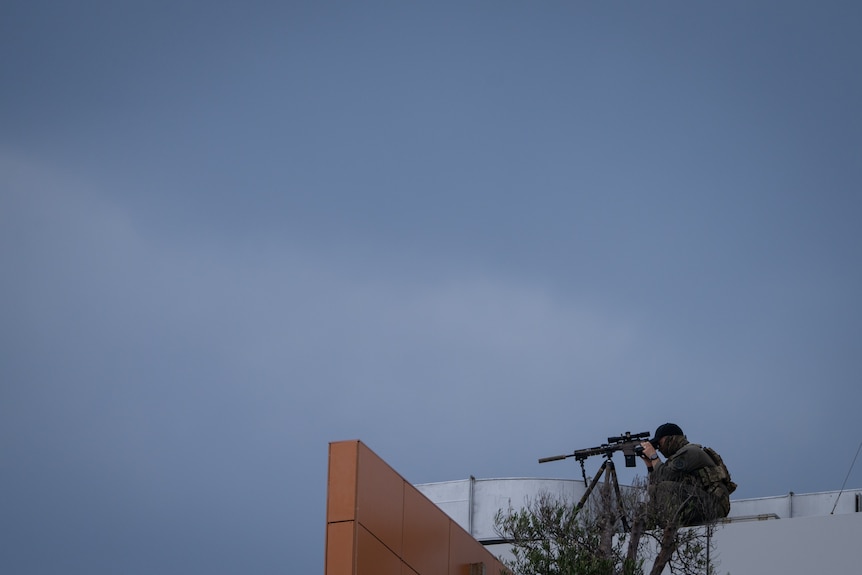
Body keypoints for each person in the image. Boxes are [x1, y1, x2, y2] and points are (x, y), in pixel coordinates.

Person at [638, 423, 733, 527]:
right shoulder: (677, 457)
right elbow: (657, 481)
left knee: (664, 488)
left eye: (659, 442)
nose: (659, 448)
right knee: (651, 493)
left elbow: (665, 476)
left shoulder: (690, 452)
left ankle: (668, 526)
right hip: (702, 502)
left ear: (671, 439)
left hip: (714, 505)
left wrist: (653, 456)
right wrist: (650, 465)